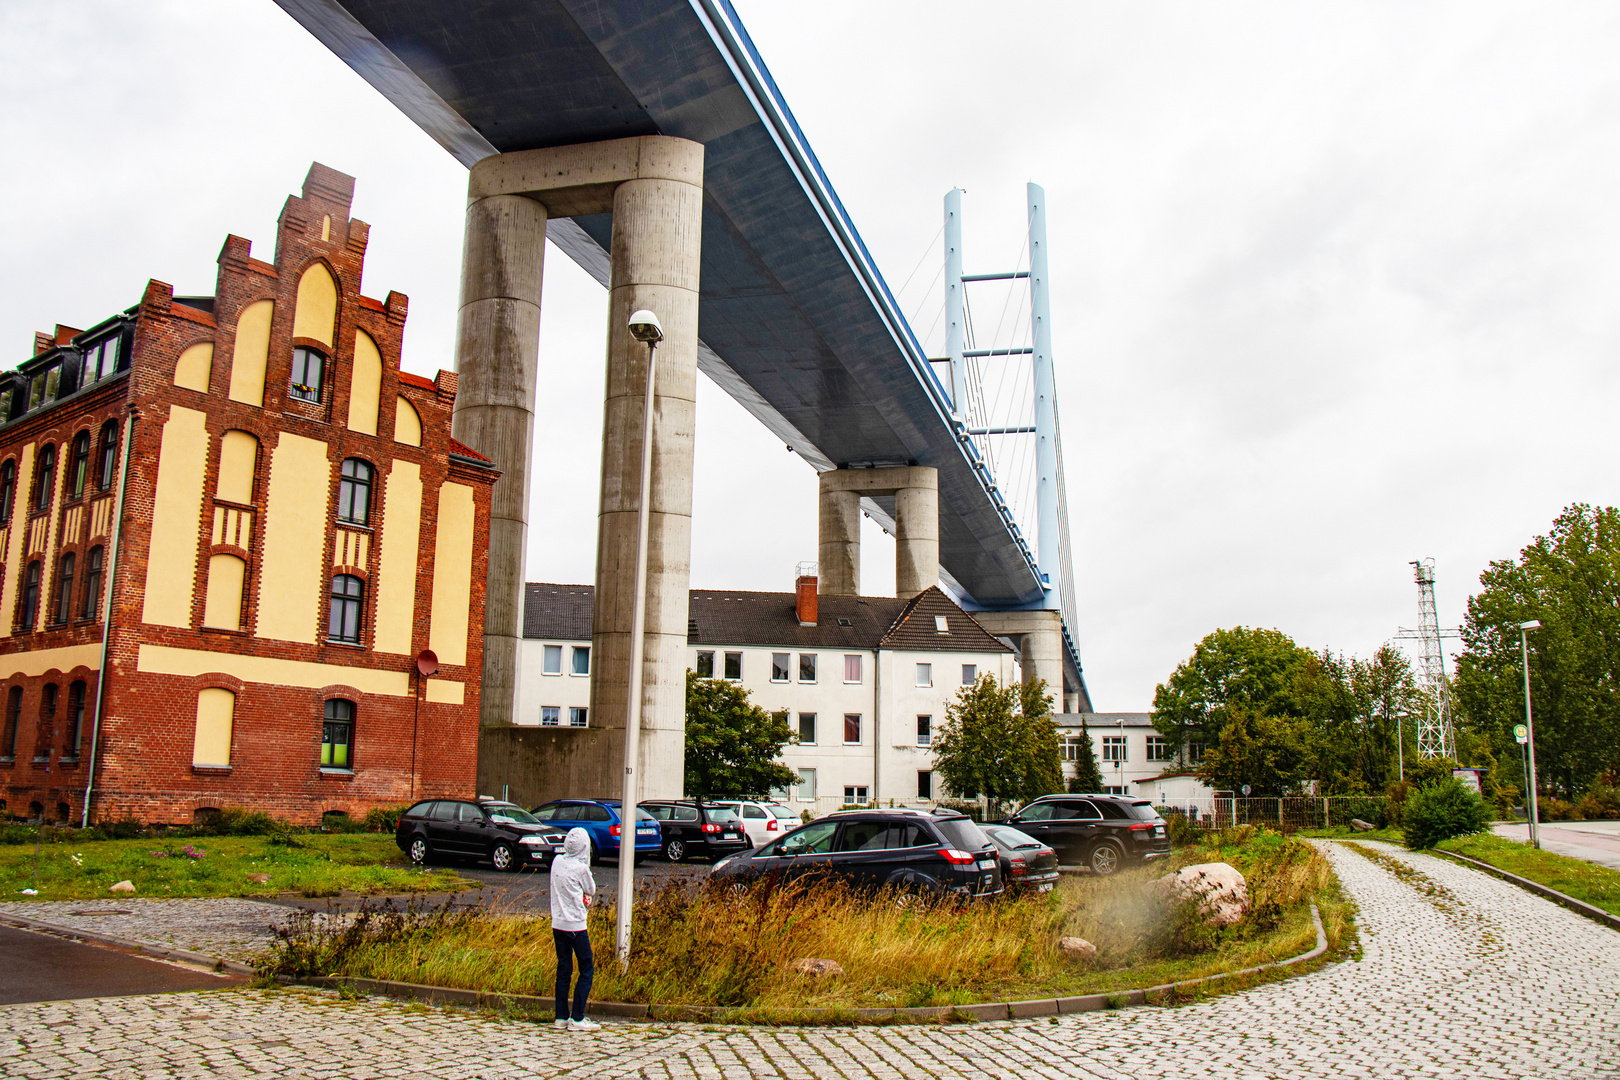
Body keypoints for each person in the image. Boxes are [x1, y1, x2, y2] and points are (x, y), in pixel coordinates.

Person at [549, 827, 599, 1031]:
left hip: (558, 923)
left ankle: (561, 1016)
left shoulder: (557, 862)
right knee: (586, 968)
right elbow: (591, 889)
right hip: (576, 925)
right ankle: (577, 1017)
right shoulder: (581, 869)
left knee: (564, 969)